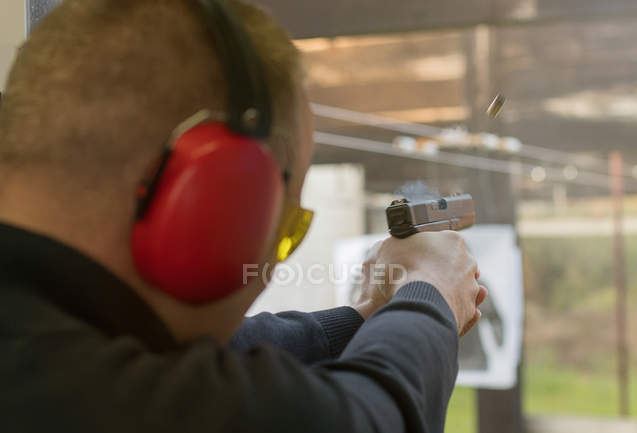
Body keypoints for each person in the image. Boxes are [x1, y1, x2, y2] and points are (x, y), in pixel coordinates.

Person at [0, 1, 487, 432]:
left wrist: (363, 317)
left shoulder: (45, 339)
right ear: (214, 203)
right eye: (284, 230)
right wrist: (431, 288)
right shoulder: (87, 390)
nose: (271, 264)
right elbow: (364, 418)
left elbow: (233, 352)